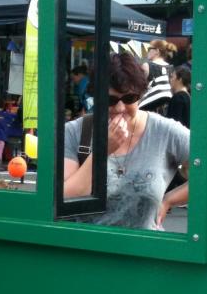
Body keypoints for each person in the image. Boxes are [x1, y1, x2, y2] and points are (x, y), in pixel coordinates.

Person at [62, 51, 190, 229]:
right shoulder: (75, 132)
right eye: (111, 100)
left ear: (141, 94)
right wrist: (102, 151)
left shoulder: (165, 131)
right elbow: (66, 198)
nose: (120, 108)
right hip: (88, 250)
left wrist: (169, 200)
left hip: (144, 250)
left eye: (130, 98)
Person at [139, 40, 175, 115]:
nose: (147, 51)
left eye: (149, 49)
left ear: (157, 51)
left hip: (148, 107)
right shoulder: (172, 68)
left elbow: (140, 88)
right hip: (166, 110)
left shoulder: (146, 66)